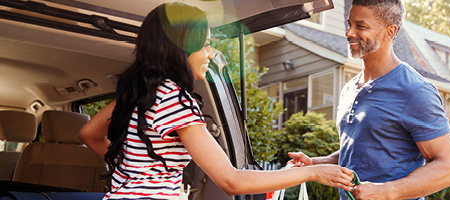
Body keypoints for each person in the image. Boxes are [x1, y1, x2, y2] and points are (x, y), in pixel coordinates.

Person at [78, 2, 354, 199]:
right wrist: (313, 173)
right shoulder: (173, 98)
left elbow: (88, 133)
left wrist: (143, 171)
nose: (210, 53)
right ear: (181, 47)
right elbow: (231, 180)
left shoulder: (140, 92)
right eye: (206, 44)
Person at [288, 0, 450, 199]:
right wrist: (314, 164)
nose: (349, 33)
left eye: (360, 26)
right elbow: (360, 151)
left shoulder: (415, 91)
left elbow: (448, 168)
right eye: (349, 24)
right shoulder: (350, 89)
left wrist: (386, 191)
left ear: (390, 32)